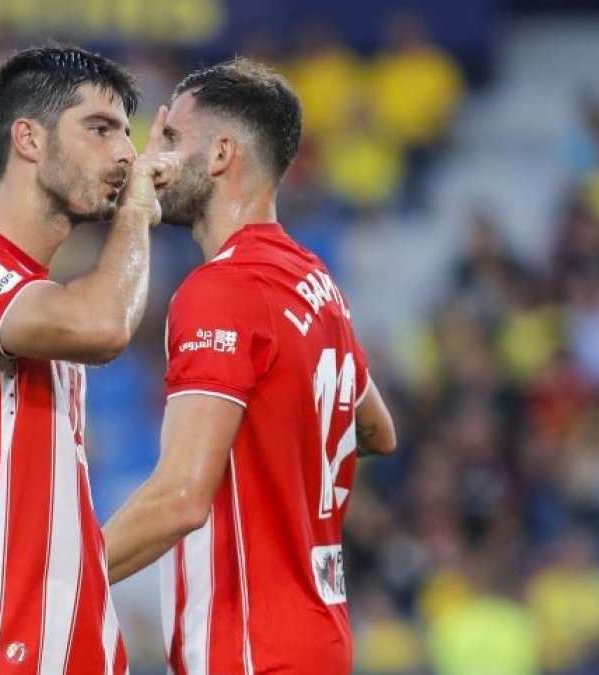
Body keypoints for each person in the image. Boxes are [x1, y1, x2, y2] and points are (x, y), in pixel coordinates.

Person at [102, 58, 397, 673]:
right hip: (319, 637)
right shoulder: (315, 284)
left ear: (220, 156)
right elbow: (378, 431)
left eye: (173, 138)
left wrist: (52, 586)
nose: (152, 155)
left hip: (249, 648)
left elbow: (181, 499)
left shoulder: (223, 289)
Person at [0, 45, 177, 674]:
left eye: (126, 134)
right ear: (28, 138)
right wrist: (134, 217)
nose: (127, 154)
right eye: (100, 130)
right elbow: (103, 325)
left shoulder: (37, 299)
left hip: (65, 645)